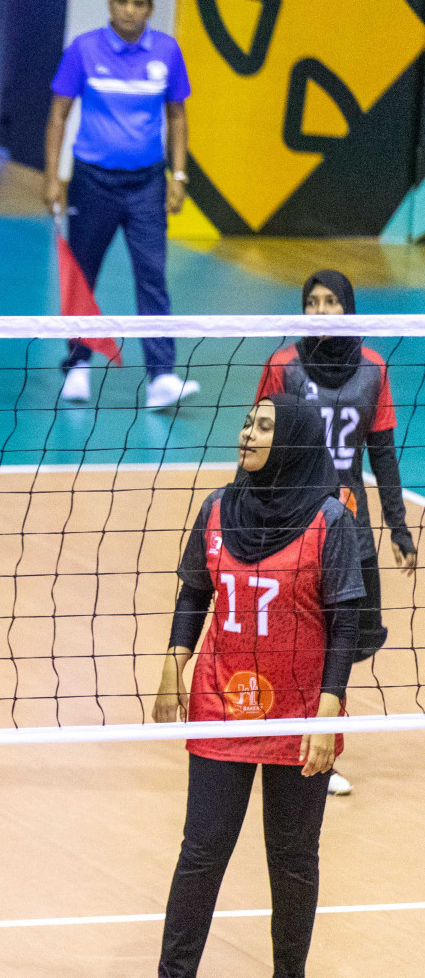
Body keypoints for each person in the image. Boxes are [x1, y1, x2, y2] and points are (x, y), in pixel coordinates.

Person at [152, 394, 363, 978]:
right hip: (222, 704)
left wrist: (327, 713)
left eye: (263, 426)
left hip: (299, 714)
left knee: (293, 860)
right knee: (201, 854)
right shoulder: (218, 508)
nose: (247, 433)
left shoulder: (329, 520)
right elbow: (195, 591)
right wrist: (175, 663)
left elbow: (347, 620)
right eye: (247, 422)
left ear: (290, 440)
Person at [255, 269, 417, 795]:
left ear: (349, 308)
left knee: (349, 641)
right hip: (290, 524)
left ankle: (315, 739)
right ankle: (300, 745)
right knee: (299, 637)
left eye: (331, 302)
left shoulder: (373, 368)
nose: (321, 310)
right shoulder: (282, 365)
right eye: (312, 302)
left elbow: (384, 453)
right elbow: (256, 444)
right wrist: (247, 513)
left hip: (348, 526)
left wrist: (399, 528)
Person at [44, 0, 197, 410]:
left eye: (138, 3)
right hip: (92, 182)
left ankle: (161, 378)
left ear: (149, 9)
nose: (130, 9)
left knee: (152, 277)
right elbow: (58, 114)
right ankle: (77, 365)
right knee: (83, 275)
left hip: (147, 184)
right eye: (123, 1)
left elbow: (178, 117)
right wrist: (53, 177)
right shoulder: (83, 51)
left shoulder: (167, 52)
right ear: (111, 5)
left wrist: (178, 175)